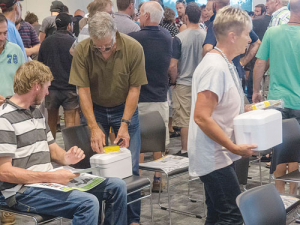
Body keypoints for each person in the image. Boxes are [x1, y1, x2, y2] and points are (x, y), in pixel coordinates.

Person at [0, 60, 127, 225]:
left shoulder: (36, 114)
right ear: (36, 86)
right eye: (47, 87)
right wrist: (50, 176)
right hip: (20, 192)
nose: (47, 92)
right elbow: (4, 172)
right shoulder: (5, 120)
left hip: (46, 182)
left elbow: (53, 150)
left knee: (117, 186)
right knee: (88, 203)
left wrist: (67, 157)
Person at [69, 12, 147, 225]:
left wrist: (125, 123)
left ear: (115, 34)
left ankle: (132, 220)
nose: (103, 51)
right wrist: (93, 126)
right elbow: (82, 90)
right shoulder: (83, 50)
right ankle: (99, 219)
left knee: (130, 167)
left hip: (125, 109)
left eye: (108, 46)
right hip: (95, 110)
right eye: (98, 47)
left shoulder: (133, 48)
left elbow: (134, 88)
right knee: (96, 167)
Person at [189, 6, 256, 225]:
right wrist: (233, 146)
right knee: (232, 215)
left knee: (218, 214)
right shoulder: (215, 66)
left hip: (219, 153)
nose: (249, 40)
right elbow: (201, 116)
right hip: (214, 155)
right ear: (232, 36)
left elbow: (219, 106)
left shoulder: (224, 62)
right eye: (246, 34)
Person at [253, 0, 300, 195]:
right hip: (299, 103)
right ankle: (292, 197)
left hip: (276, 102)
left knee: (279, 151)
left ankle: (279, 198)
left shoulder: (273, 33)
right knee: (296, 151)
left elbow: (260, 64)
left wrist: (256, 91)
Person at [128, 1, 172, 192]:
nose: (137, 16)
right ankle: (157, 179)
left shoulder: (133, 39)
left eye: (140, 13)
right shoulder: (167, 36)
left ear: (146, 16)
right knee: (158, 141)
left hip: (137, 96)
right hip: (160, 95)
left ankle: (135, 180)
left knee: (136, 142)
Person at [169, 2, 206, 156]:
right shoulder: (206, 35)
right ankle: (199, 148)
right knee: (201, 116)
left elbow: (172, 65)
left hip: (183, 82)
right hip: (202, 83)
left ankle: (185, 149)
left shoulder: (179, 38)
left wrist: (173, 80)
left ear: (186, 17)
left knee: (184, 118)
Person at [38, 13, 79, 139]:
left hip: (51, 88)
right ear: (69, 26)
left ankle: (51, 151)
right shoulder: (74, 42)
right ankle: (70, 151)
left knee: (51, 120)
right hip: (70, 88)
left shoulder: (46, 42)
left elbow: (40, 65)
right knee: (70, 122)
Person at [202, 0, 261, 89]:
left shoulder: (216, 24)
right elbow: (257, 43)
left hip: (225, 76)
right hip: (234, 72)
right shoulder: (237, 22)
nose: (248, 39)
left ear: (214, 6)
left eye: (207, 9)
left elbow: (207, 48)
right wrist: (241, 62)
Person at [0, 13, 25, 99]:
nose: (2, 38)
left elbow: (24, 80)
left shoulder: (15, 50)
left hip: (12, 106)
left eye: (5, 33)